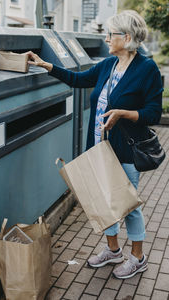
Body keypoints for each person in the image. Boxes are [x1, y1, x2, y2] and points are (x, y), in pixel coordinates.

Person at [27, 10, 163, 279]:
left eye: (110, 34)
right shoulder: (108, 65)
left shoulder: (147, 69)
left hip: (126, 149)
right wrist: (47, 66)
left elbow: (154, 113)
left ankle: (138, 256)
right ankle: (113, 250)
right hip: (100, 148)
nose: (106, 38)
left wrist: (123, 113)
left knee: (128, 205)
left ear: (126, 37)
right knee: (104, 201)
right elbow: (79, 80)